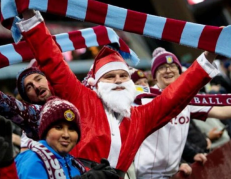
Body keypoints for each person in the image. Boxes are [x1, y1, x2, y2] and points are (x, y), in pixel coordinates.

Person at [17, 9, 219, 176]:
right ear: (97, 83)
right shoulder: (82, 98)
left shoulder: (140, 118)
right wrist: (30, 18)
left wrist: (210, 54)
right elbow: (53, 62)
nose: (118, 82)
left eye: (123, 76)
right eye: (110, 77)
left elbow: (176, 95)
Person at [134, 47, 231, 179]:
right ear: (154, 76)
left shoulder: (186, 99)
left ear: (180, 73)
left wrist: (182, 161)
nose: (168, 70)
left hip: (173, 173)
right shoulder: (144, 98)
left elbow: (222, 111)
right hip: (149, 175)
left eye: (172, 66)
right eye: (162, 67)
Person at [15, 96, 119, 179]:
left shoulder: (73, 163)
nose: (66, 134)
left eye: (71, 129)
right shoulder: (31, 159)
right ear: (45, 131)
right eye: (59, 127)